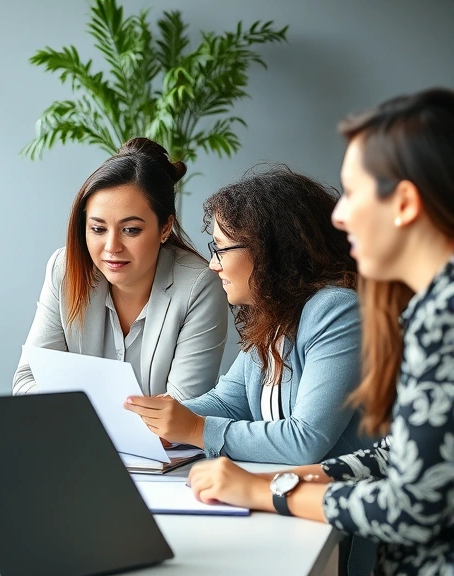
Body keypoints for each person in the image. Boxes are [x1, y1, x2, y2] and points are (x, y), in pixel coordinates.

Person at [186, 89, 454, 576]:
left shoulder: (444, 317)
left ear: (405, 203)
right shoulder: (431, 308)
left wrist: (263, 490)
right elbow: (399, 456)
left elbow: (410, 507)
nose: (338, 215)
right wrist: (297, 476)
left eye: (352, 193)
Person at [124, 167, 371, 465]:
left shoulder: (336, 311)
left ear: (272, 250)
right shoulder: (274, 316)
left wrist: (194, 428)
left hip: (337, 501)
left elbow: (306, 440)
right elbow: (228, 402)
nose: (213, 265)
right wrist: (164, 421)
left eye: (221, 249)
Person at [12, 138, 228, 399]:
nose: (111, 246)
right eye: (98, 229)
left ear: (165, 228)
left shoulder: (199, 286)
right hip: (74, 439)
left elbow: (181, 412)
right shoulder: (65, 269)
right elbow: (26, 382)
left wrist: (76, 409)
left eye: (131, 230)